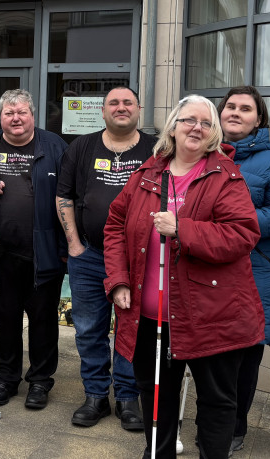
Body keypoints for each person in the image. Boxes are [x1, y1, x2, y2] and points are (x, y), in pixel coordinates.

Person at [105, 95, 264, 459]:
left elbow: (243, 235)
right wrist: (118, 279)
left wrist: (182, 229)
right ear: (173, 127)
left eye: (206, 123)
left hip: (211, 316)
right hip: (149, 316)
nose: (197, 127)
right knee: (156, 393)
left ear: (213, 134)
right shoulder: (147, 174)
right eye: (189, 120)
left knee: (216, 401)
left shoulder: (226, 177)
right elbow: (115, 225)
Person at [56, 86, 155, 431]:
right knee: (88, 329)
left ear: (138, 109)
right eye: (114, 102)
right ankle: (95, 396)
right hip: (90, 256)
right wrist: (74, 245)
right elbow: (63, 195)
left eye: (128, 102)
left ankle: (128, 397)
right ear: (103, 111)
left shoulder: (156, 149)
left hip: (138, 260)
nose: (121, 107)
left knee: (131, 329)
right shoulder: (82, 147)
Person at [0, 90, 67, 410]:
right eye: (9, 112)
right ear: (0, 117)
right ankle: (5, 379)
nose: (16, 118)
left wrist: (68, 246)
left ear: (33, 115)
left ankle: (40, 382)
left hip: (43, 253)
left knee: (43, 322)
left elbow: (70, 193)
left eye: (22, 112)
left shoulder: (54, 146)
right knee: (3, 321)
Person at [217, 86, 270, 453]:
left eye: (245, 109)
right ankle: (213, 419)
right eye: (230, 106)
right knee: (210, 352)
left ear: (258, 119)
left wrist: (229, 229)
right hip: (207, 269)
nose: (235, 112)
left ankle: (234, 427)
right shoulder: (202, 153)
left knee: (244, 356)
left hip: (254, 271)